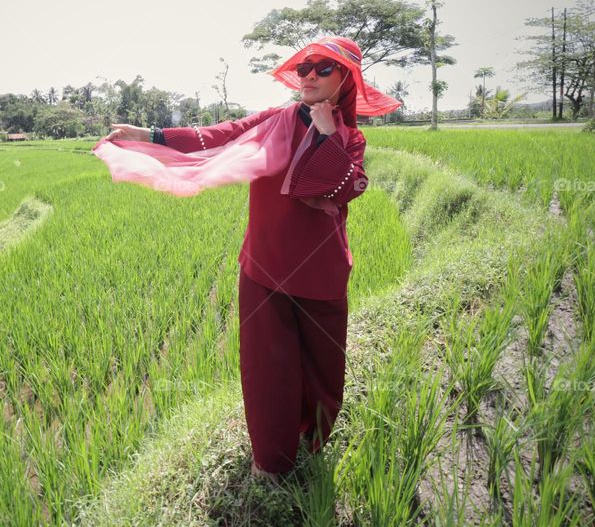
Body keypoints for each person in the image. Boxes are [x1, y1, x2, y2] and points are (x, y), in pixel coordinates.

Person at [97, 37, 400, 482]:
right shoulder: (274, 121)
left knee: (323, 370)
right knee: (266, 371)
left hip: (322, 274)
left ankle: (312, 441)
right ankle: (272, 463)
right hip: (264, 268)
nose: (310, 76)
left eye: (323, 69)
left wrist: (327, 134)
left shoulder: (351, 139)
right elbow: (218, 135)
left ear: (345, 81)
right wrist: (151, 136)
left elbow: (333, 188)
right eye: (305, 69)